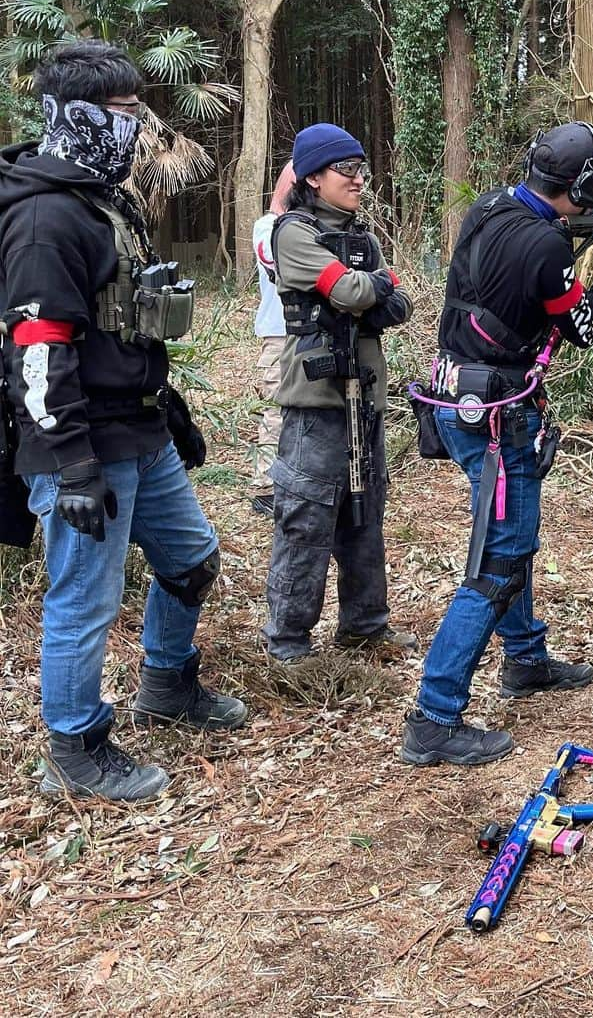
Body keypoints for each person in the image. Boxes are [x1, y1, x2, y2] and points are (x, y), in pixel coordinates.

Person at [0, 40, 247, 804]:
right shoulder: (43, 218)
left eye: (138, 110)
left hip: (138, 429)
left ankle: (168, 686)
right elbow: (38, 353)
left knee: (192, 562)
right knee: (84, 601)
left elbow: (121, 327)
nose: (137, 127)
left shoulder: (103, 200)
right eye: (121, 112)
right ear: (74, 116)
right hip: (82, 446)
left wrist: (164, 408)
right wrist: (70, 463)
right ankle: (75, 749)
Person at [401, 122, 593, 767]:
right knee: (501, 559)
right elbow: (582, 325)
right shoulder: (545, 246)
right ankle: (434, 715)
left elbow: (517, 284)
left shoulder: (489, 208)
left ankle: (524, 658)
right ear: (583, 184)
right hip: (494, 416)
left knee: (510, 539)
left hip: (461, 395)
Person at [263, 123, 416, 662]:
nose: (357, 180)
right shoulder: (293, 232)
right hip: (316, 404)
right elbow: (355, 289)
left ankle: (365, 624)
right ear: (312, 176)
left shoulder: (362, 237)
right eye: (345, 169)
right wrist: (372, 288)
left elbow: (397, 307)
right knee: (306, 518)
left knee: (365, 511)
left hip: (365, 399)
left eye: (360, 169)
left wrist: (370, 291)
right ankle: (288, 644)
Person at [250, 161, 294, 516]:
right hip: (279, 335)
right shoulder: (268, 227)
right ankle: (266, 485)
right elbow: (277, 262)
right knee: (277, 411)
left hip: (309, 335)